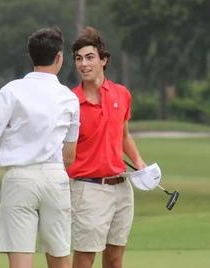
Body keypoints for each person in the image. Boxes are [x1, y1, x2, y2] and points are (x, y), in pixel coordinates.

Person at [0, 26, 80, 268]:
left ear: (31, 56)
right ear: (59, 57)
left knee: (21, 261)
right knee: (60, 259)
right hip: (56, 177)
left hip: (19, 178)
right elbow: (70, 155)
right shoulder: (69, 97)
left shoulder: (12, 91)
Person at [67, 27, 146, 268]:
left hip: (122, 188)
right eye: (79, 59)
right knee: (85, 258)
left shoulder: (122, 94)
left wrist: (140, 163)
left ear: (104, 60)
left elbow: (124, 136)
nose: (84, 64)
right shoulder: (69, 101)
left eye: (90, 57)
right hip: (87, 189)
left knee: (114, 259)